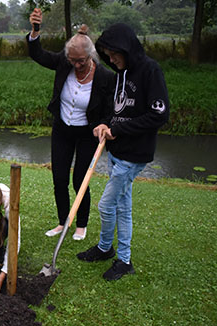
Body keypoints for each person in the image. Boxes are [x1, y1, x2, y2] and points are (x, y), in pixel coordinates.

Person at [76, 23, 170, 280]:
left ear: (126, 48)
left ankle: (118, 256)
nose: (111, 58)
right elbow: (117, 110)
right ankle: (111, 251)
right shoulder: (121, 73)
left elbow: (159, 115)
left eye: (114, 53)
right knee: (122, 206)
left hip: (135, 154)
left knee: (107, 205)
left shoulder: (150, 70)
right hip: (116, 152)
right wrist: (106, 124)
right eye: (107, 54)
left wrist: (121, 129)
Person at [27, 9, 114, 241]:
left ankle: (81, 225)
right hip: (62, 130)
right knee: (59, 178)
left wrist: (104, 124)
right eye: (72, 60)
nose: (76, 65)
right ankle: (62, 221)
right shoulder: (64, 63)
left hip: (88, 133)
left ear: (91, 56)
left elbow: (109, 109)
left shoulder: (104, 76)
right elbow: (39, 55)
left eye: (81, 61)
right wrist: (35, 31)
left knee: (79, 181)